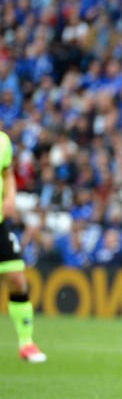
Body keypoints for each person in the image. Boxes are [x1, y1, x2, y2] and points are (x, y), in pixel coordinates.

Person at [0, 130, 44, 363]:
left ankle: (26, 343)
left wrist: (9, 198)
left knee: (17, 279)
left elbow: (6, 174)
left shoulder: (3, 142)